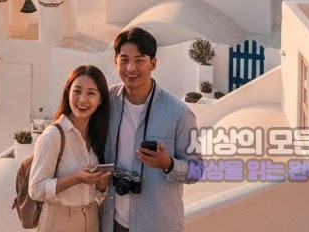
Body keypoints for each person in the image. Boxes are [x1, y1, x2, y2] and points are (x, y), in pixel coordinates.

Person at [100, 28, 202, 232]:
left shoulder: (180, 114)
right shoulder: (107, 101)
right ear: (115, 62)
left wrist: (168, 164)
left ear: (153, 63)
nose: (131, 68)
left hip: (156, 225)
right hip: (112, 222)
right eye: (124, 59)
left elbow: (198, 170)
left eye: (139, 60)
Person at [29, 65, 112, 232]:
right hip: (60, 219)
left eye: (91, 93)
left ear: (100, 100)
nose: (82, 99)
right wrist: (76, 178)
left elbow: (97, 194)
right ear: (68, 93)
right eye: (77, 91)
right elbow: (35, 189)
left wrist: (101, 185)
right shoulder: (53, 135)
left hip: (91, 215)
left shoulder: (98, 135)